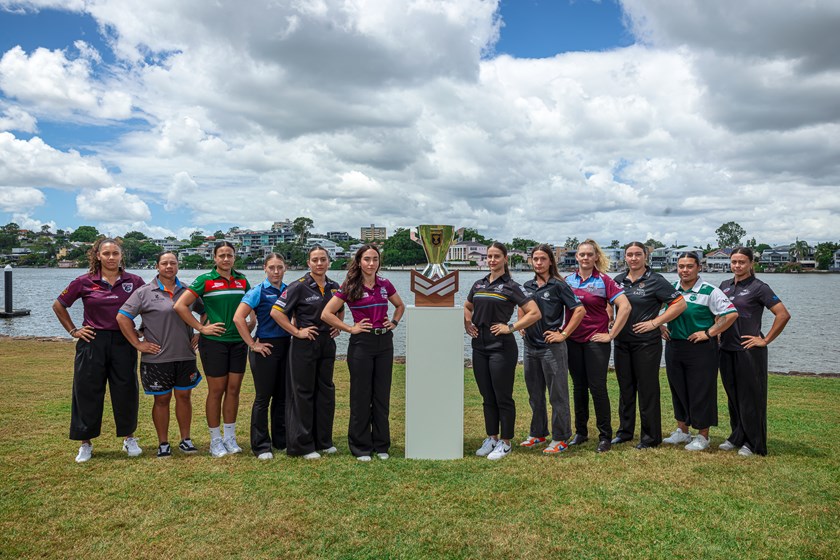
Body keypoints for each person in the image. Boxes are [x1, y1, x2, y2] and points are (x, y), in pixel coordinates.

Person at [51, 237, 145, 463]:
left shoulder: (134, 281)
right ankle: (85, 443)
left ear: (121, 256)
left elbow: (151, 305)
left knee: (126, 390)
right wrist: (73, 330)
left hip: (123, 341)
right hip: (92, 341)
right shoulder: (83, 281)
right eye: (106, 253)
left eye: (115, 253)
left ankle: (129, 438)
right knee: (87, 391)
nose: (111, 257)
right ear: (97, 256)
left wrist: (142, 329)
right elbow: (59, 305)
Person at [321, 244, 406, 462]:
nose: (371, 263)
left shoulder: (385, 283)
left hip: (384, 342)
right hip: (361, 344)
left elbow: (400, 306)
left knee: (381, 395)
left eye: (375, 259)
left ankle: (381, 444)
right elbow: (326, 313)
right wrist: (350, 328)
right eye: (367, 259)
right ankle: (361, 447)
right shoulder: (350, 285)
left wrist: (394, 322)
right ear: (359, 262)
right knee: (361, 396)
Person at [117, 251, 203, 458]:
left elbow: (206, 310)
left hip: (185, 355)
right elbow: (122, 317)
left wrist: (201, 332)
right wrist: (138, 344)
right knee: (162, 400)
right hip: (157, 358)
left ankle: (186, 440)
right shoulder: (144, 292)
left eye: (173, 263)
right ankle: (163, 443)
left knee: (184, 397)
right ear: (157, 266)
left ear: (178, 265)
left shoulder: (188, 291)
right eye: (164, 263)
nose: (169, 267)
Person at [464, 242, 541, 461]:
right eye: (489, 256)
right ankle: (492, 438)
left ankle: (506, 443)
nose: (492, 260)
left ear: (505, 259)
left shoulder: (511, 286)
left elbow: (534, 312)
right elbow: (468, 306)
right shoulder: (478, 284)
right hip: (479, 346)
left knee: (502, 396)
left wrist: (511, 327)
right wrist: (467, 323)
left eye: (496, 256)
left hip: (501, 347)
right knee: (487, 395)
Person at [173, 241, 251, 458]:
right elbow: (180, 305)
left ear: (234, 257)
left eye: (229, 255)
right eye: (221, 255)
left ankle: (230, 437)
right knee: (217, 391)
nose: (226, 259)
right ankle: (215, 440)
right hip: (214, 343)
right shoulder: (205, 280)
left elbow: (250, 306)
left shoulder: (242, 280)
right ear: (215, 258)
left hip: (238, 342)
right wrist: (201, 328)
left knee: (233, 390)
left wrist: (251, 323)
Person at [612, 242, 687, 449]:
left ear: (645, 256)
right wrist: (610, 320)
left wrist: (656, 322)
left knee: (647, 389)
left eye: (638, 254)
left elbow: (680, 304)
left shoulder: (656, 280)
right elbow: (609, 304)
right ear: (625, 257)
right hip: (621, 342)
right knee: (626, 389)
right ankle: (625, 432)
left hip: (646, 344)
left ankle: (650, 437)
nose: (633, 258)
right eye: (630, 254)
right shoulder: (618, 280)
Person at [270, 246, 342, 460]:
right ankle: (302, 445)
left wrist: (337, 325)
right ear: (308, 263)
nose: (319, 263)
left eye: (323, 259)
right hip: (305, 344)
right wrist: (296, 332)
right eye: (315, 260)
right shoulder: (298, 286)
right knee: (303, 393)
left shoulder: (334, 287)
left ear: (329, 262)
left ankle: (323, 441)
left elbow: (340, 309)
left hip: (326, 343)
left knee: (325, 392)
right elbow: (276, 312)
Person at [661, 252, 738, 451]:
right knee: (678, 389)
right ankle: (682, 431)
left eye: (689, 266)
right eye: (681, 266)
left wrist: (709, 333)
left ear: (698, 267)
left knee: (701, 390)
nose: (684, 270)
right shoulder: (671, 289)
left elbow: (731, 314)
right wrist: (659, 325)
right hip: (675, 345)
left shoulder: (709, 291)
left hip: (701, 348)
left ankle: (703, 436)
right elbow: (653, 309)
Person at [718, 247, 790, 456]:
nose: (737, 266)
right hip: (726, 348)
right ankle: (737, 436)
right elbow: (719, 313)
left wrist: (765, 340)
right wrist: (716, 332)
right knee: (733, 396)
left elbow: (783, 314)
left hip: (748, 350)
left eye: (742, 262)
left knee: (751, 398)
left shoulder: (759, 288)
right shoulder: (724, 286)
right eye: (734, 262)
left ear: (751, 264)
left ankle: (753, 443)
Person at [564, 239, 631, 453]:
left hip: (595, 341)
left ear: (595, 257)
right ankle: (581, 432)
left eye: (589, 254)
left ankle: (605, 436)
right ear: (576, 257)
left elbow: (625, 307)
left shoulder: (604, 280)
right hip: (573, 341)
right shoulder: (567, 281)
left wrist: (611, 334)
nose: (585, 258)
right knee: (578, 387)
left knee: (598, 387)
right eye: (582, 254)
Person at [517, 244, 585, 455]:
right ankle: (538, 433)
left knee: (558, 395)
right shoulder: (527, 285)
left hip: (552, 347)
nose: (538, 263)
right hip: (530, 347)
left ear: (550, 261)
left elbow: (579, 310)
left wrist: (563, 334)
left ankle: (561, 437)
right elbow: (521, 306)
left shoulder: (558, 285)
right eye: (535, 259)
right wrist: (521, 325)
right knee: (535, 393)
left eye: (543, 259)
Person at [232, 253, 291, 460]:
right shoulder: (257, 291)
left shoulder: (289, 290)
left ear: (285, 269)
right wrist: (252, 344)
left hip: (287, 346)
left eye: (280, 267)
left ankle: (281, 440)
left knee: (282, 397)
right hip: (265, 348)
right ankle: (261, 445)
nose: (276, 271)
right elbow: (238, 318)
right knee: (263, 398)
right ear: (265, 268)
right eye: (272, 267)